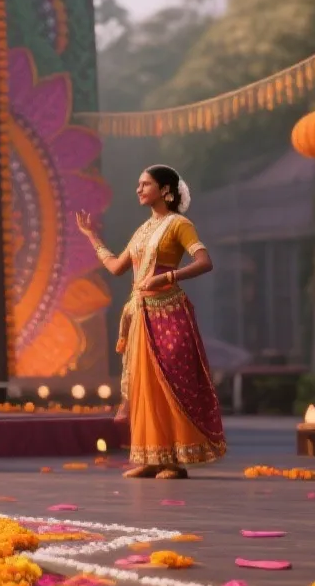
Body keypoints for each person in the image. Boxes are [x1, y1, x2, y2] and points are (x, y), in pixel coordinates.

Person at [77, 165, 224, 479]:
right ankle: (151, 456)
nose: (138, 189)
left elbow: (204, 262)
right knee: (144, 386)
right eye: (138, 184)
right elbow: (117, 267)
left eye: (145, 184)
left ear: (165, 190)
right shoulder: (143, 230)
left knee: (169, 382)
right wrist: (92, 237)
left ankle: (174, 460)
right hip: (141, 314)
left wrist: (168, 276)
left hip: (169, 312)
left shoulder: (179, 224)